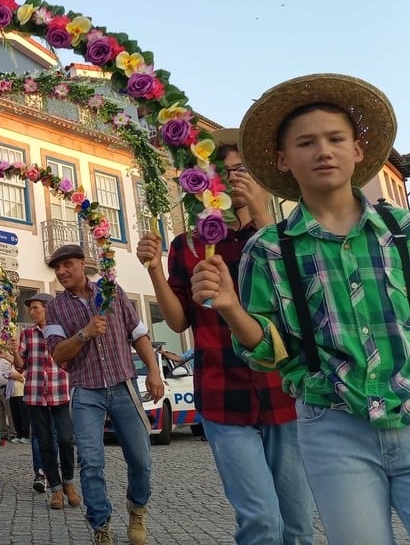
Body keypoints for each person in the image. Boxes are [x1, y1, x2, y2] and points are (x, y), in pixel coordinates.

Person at [191, 74, 410, 545]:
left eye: (336, 139)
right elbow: (271, 352)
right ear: (283, 160)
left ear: (357, 150)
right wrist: (230, 309)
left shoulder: (407, 231)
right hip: (334, 428)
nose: (324, 151)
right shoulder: (269, 250)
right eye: (306, 142)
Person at [136, 129, 314, 545]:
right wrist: (154, 269)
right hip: (221, 394)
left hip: (283, 392)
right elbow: (178, 321)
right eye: (223, 172)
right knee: (261, 522)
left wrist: (261, 212)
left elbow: (300, 295)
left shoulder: (282, 235)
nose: (233, 179)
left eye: (242, 171)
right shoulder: (189, 245)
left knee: (298, 526)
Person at [45, 244, 164, 545]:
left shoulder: (113, 292)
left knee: (140, 459)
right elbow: (58, 354)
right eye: (57, 268)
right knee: (91, 461)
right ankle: (101, 524)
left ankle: (137, 509)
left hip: (123, 384)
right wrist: (84, 334)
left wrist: (153, 371)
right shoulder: (55, 308)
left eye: (67, 265)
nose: (61, 272)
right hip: (86, 391)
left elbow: (138, 334)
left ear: (82, 264)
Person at [13, 292, 79, 510]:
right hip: (35, 393)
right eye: (30, 308)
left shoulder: (62, 331)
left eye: (36, 308)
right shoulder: (27, 334)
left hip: (60, 391)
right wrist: (13, 353)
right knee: (44, 443)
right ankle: (56, 489)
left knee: (66, 438)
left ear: (48, 309)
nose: (32, 312)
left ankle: (69, 482)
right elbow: (21, 366)